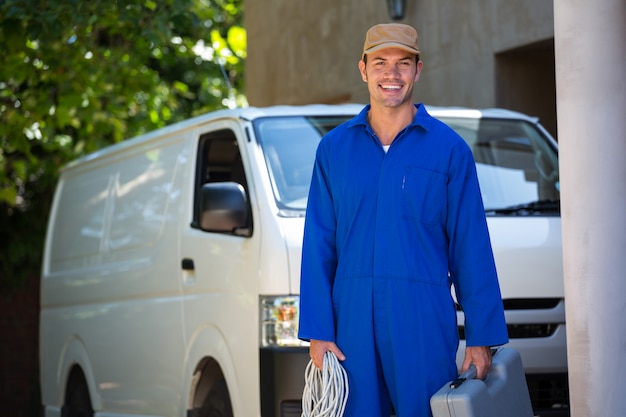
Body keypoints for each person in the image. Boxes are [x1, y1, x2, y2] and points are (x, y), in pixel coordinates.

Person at [298, 23, 509, 417]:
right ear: (363, 69)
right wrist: (318, 329)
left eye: (403, 63)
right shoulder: (333, 150)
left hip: (422, 317)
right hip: (350, 322)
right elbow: (318, 245)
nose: (391, 74)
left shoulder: (449, 150)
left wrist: (481, 337)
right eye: (380, 62)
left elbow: (471, 248)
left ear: (418, 70)